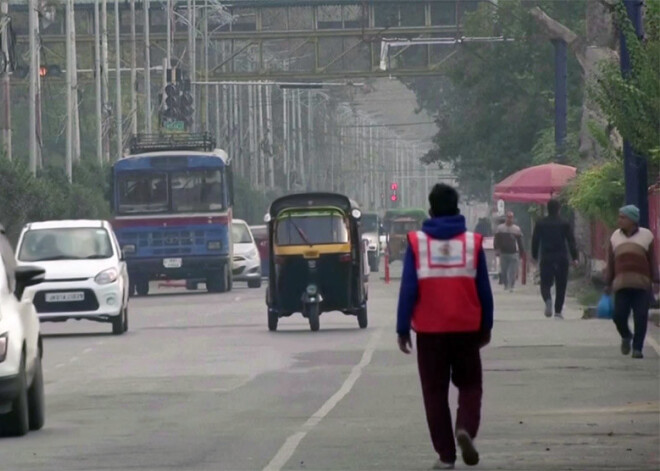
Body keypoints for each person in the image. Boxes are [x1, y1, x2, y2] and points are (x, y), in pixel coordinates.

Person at [397, 183, 494, 470]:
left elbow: (408, 289)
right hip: (466, 329)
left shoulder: (417, 243)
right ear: (457, 209)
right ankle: (465, 427)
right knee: (471, 384)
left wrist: (403, 328)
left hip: (429, 332)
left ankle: (446, 456)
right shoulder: (472, 242)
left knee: (434, 393)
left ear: (430, 210)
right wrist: (486, 325)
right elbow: (484, 291)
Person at [605, 205, 659, 359]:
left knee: (640, 316)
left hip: (642, 284)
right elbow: (611, 261)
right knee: (618, 315)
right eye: (619, 217)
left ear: (633, 220)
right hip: (621, 284)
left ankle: (637, 348)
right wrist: (608, 283)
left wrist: (656, 280)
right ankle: (626, 335)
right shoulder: (615, 236)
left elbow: (652, 260)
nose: (619, 220)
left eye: (623, 217)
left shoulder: (646, 236)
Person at [531, 199, 578, 318]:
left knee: (545, 283)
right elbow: (571, 241)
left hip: (547, 257)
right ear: (559, 209)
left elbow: (535, 240)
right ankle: (558, 311)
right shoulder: (564, 223)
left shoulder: (540, 223)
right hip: (561, 257)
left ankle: (547, 299)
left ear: (547, 208)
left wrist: (534, 256)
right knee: (561, 284)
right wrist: (575, 257)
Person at [493, 212, 525, 292]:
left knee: (513, 270)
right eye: (508, 217)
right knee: (504, 270)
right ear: (506, 218)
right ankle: (506, 284)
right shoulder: (500, 228)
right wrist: (497, 249)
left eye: (511, 217)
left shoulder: (516, 229)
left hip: (513, 252)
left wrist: (522, 252)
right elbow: (496, 240)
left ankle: (512, 285)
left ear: (513, 218)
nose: (509, 219)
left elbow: (520, 242)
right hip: (503, 252)